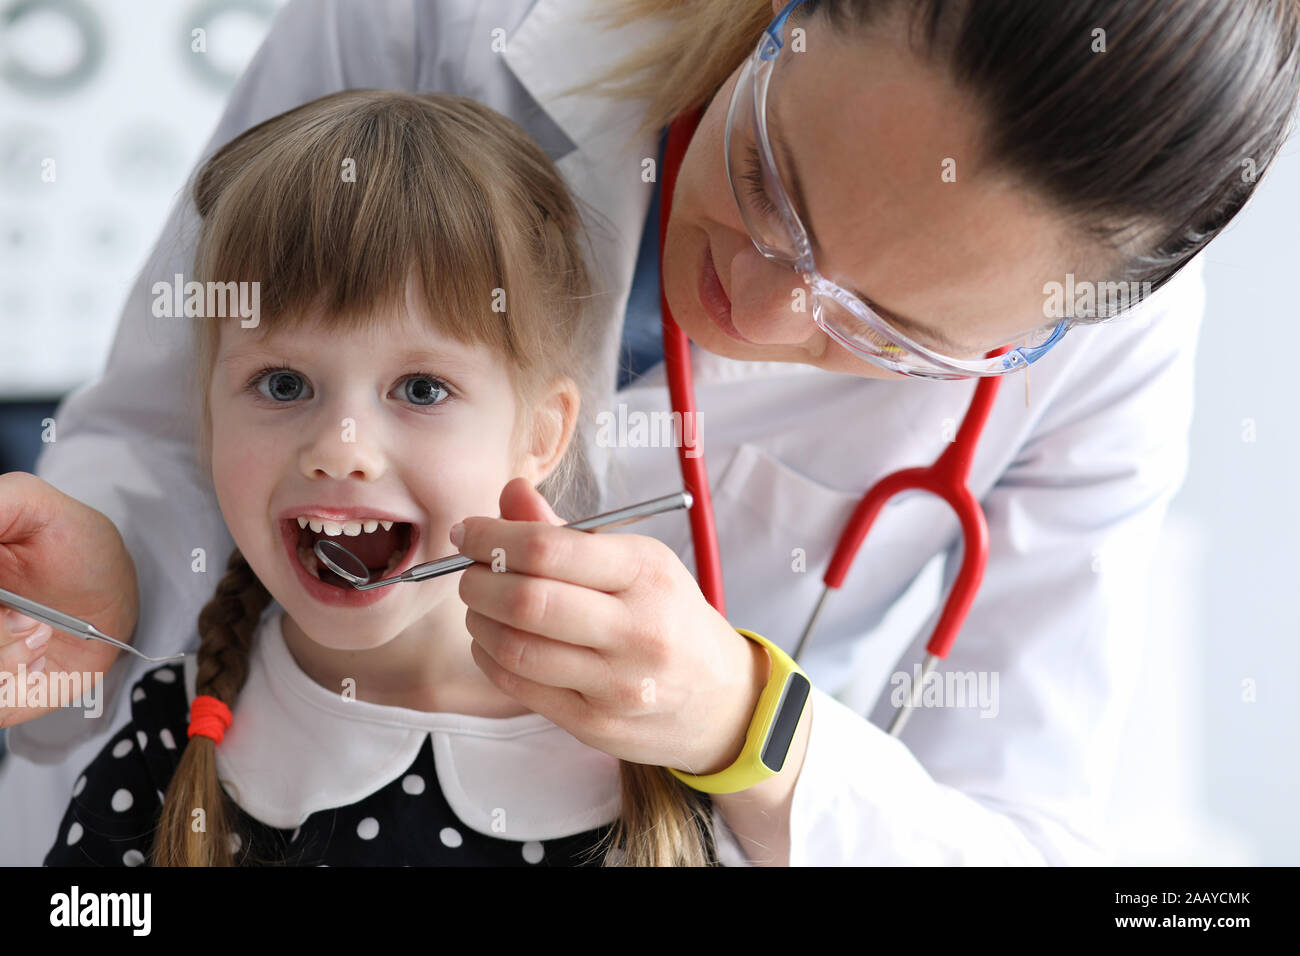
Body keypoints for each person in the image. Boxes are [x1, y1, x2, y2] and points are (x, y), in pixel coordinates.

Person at [4, 0, 1298, 866]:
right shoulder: (450, 23)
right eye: (771, 182)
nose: (762, 306)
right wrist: (109, 569)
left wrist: (746, 721)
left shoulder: (1105, 344)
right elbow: (176, 411)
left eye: (892, 334)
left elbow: (1018, 832)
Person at [43, 87, 753, 866]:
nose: (340, 450)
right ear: (207, 414)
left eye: (421, 390)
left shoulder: (653, 750)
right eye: (283, 384)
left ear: (541, 434)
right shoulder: (171, 741)